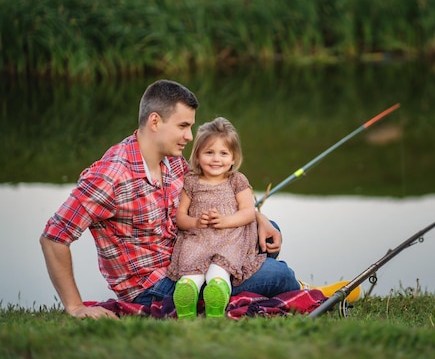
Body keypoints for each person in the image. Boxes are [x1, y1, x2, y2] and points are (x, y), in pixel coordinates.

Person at [39, 79, 300, 320]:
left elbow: (210, 194)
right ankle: (247, 285)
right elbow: (53, 237)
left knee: (269, 232)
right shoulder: (110, 177)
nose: (189, 136)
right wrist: (75, 307)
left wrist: (257, 217)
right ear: (155, 122)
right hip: (155, 285)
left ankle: (232, 280)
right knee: (280, 276)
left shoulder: (172, 160)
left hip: (189, 252)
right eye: (183, 126)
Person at [167, 117, 266, 319]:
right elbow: (180, 217)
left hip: (229, 237)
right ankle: (186, 296)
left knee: (218, 272)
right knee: (191, 272)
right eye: (209, 152)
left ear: (233, 158)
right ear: (197, 155)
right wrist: (195, 222)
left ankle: (216, 301)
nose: (216, 159)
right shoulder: (191, 181)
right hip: (198, 238)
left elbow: (248, 212)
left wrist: (224, 221)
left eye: (223, 153)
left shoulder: (237, 180)